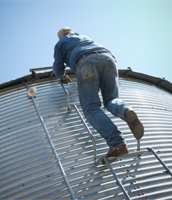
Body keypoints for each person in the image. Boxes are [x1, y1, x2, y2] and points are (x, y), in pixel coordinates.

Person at [53, 27, 144, 162]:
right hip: (109, 59)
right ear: (71, 32)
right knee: (112, 99)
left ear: (61, 37)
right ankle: (125, 110)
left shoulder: (61, 43)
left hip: (85, 62)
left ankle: (117, 143)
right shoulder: (84, 37)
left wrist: (62, 76)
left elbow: (58, 68)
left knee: (91, 108)